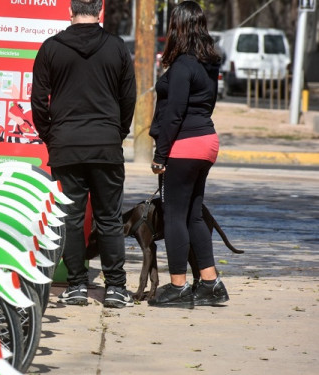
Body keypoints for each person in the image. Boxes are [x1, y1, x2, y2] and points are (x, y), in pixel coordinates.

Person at [31, 0, 137, 308]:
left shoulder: (51, 48)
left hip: (66, 145)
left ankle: (76, 285)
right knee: (109, 217)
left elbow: (38, 99)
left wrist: (51, 136)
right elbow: (128, 97)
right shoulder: (116, 47)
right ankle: (116, 288)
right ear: (100, 12)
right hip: (105, 144)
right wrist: (118, 133)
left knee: (71, 219)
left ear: (70, 12)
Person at [148, 1, 228, 308]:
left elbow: (174, 114)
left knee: (174, 216)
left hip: (185, 143)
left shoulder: (182, 66)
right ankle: (211, 284)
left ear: (177, 27)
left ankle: (178, 286)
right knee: (194, 214)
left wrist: (161, 155)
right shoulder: (209, 64)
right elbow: (207, 106)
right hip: (207, 141)